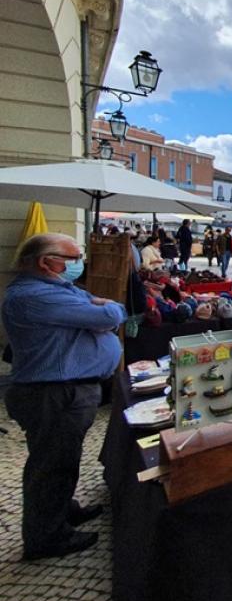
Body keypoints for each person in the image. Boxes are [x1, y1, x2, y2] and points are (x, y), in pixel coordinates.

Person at [3, 233, 126, 560]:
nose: (78, 264)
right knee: (52, 464)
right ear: (46, 262)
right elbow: (110, 315)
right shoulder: (35, 296)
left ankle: (61, 510)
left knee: (62, 457)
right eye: (72, 259)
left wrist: (99, 307)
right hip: (54, 392)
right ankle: (47, 537)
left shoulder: (55, 288)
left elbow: (97, 309)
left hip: (65, 388)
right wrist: (105, 307)